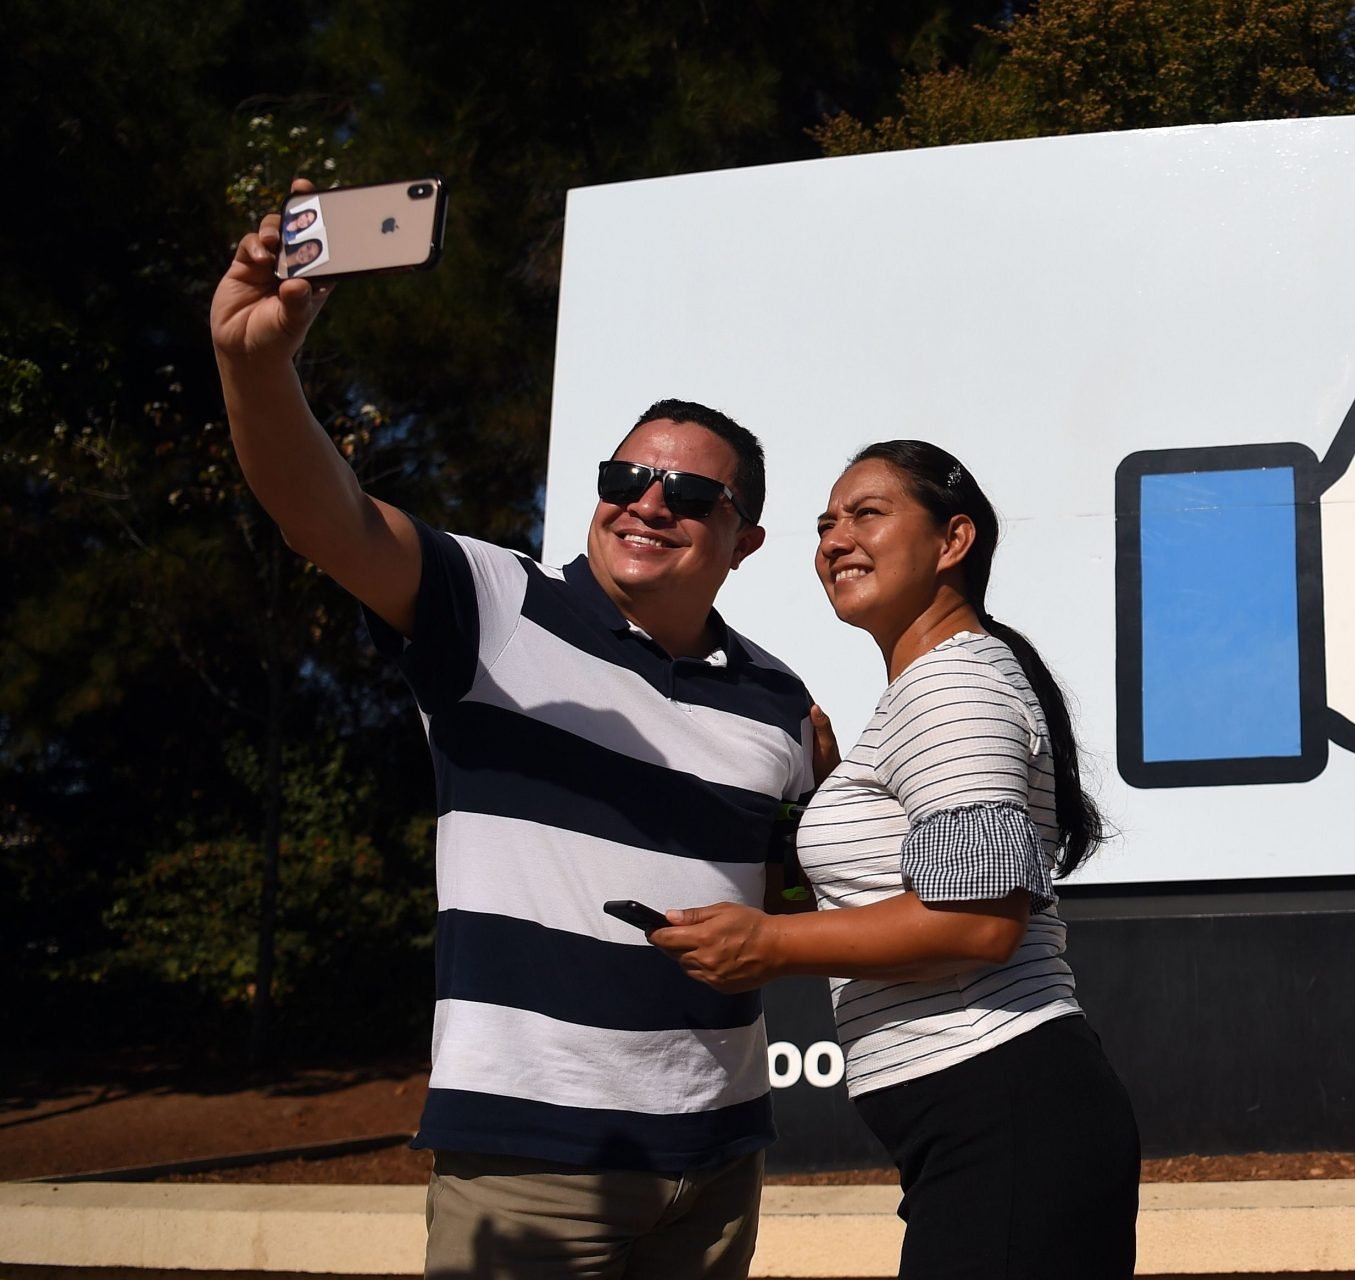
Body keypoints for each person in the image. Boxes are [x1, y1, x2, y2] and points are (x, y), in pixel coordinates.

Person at [211, 177, 815, 1279]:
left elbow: (817, 873)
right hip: (532, 1157)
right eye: (625, 476)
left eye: (686, 492)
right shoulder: (496, 601)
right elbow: (324, 514)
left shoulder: (778, 696)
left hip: (722, 1154)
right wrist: (256, 365)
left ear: (747, 539)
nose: (647, 502)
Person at [652, 440, 1141, 1278]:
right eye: (824, 524)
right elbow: (892, 893)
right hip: (979, 1124)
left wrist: (766, 945)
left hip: (1005, 1111)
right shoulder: (931, 691)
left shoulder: (953, 686)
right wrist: (832, 795)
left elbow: (977, 922)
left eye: (867, 514)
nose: (835, 539)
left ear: (954, 542)